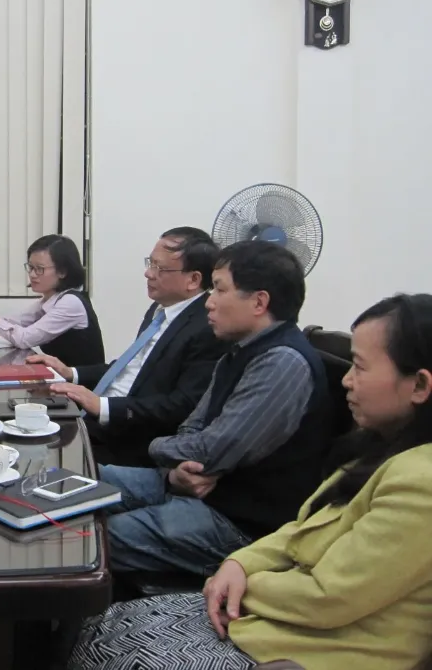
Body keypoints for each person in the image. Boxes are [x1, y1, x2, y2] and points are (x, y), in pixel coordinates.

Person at [69, 293, 432, 670]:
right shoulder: (373, 447)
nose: (346, 380)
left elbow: (330, 596)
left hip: (312, 646)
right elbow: (303, 529)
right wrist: (239, 565)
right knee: (102, 626)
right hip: (275, 602)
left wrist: (240, 582)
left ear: (420, 385)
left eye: (360, 367)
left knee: (97, 562)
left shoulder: (420, 483)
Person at [97, 241, 330, 577]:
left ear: (259, 302)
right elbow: (192, 429)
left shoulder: (281, 362)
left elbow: (209, 451)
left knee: (96, 538)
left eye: (220, 289)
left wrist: (158, 449)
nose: (208, 301)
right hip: (191, 487)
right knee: (87, 480)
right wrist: (175, 469)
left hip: (238, 522)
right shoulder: (237, 351)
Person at [29, 227, 225, 466]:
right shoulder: (159, 310)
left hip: (130, 438)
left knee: (38, 455)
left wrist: (102, 406)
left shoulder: (207, 327)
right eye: (150, 263)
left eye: (159, 268)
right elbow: (129, 367)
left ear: (193, 280)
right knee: (21, 425)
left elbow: (182, 406)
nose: (148, 273)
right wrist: (70, 372)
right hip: (100, 419)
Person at [0, 234, 104, 366]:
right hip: (58, 380)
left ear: (62, 271)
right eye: (30, 267)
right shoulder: (49, 300)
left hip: (81, 386)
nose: (32, 274)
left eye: (39, 269)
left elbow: (24, 339)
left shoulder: (71, 303)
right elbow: (13, 323)